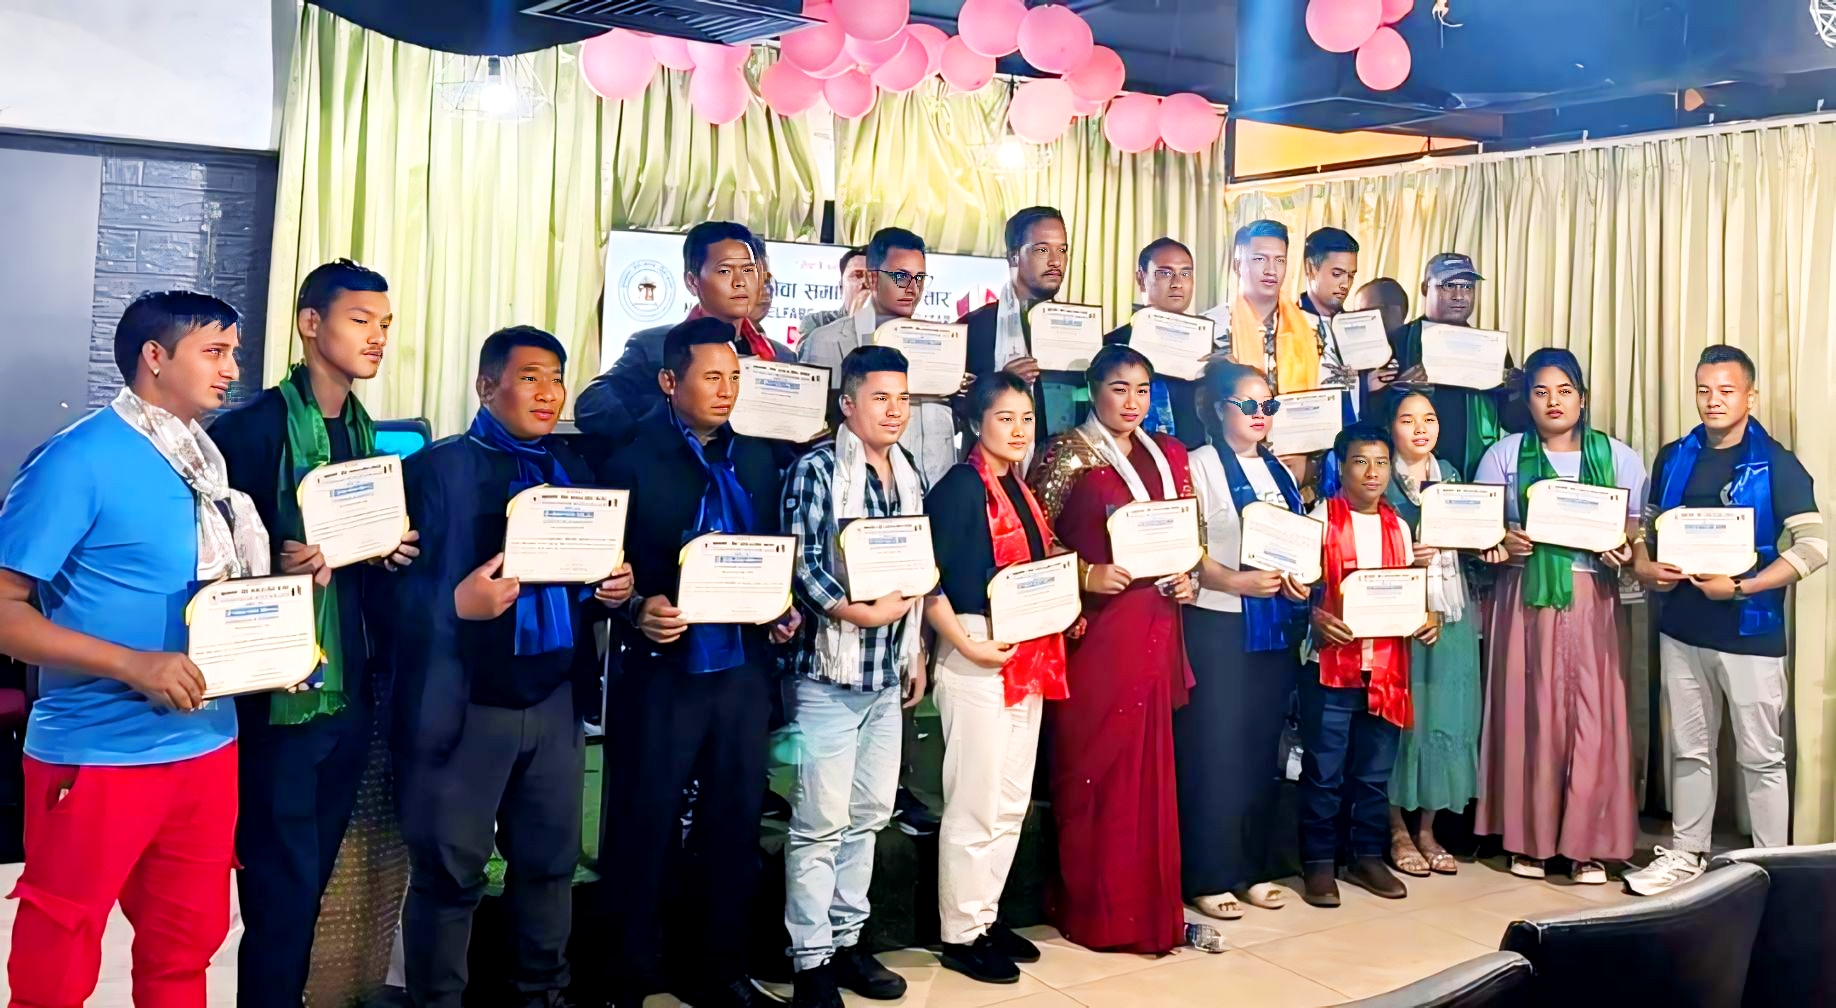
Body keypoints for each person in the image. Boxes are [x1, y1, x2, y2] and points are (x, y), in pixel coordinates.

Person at [0, 291, 262, 1007]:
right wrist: (130, 664)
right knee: (58, 955)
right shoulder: (77, 459)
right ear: (155, 357)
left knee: (186, 950)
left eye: (233, 353)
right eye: (215, 352)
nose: (232, 370)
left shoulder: (204, 463)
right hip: (99, 753)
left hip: (207, 746)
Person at [393, 326, 635, 1008]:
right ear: (485, 386)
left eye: (556, 378)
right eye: (529, 377)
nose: (549, 393)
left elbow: (589, 576)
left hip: (554, 699)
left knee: (550, 867)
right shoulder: (436, 469)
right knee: (450, 876)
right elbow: (382, 596)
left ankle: (542, 993)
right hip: (463, 705)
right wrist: (455, 605)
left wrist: (613, 590)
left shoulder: (574, 471)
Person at [208, 260, 421, 1008]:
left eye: (385, 324)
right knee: (281, 890)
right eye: (361, 320)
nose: (377, 337)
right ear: (309, 323)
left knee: (314, 882)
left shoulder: (371, 440)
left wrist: (389, 551)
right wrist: (275, 564)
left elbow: (368, 568)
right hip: (279, 698)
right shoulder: (248, 432)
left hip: (350, 691)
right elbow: (208, 566)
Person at [601, 317, 795, 1006]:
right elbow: (600, 573)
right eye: (712, 376)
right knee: (643, 821)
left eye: (735, 377)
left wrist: (783, 608)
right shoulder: (628, 460)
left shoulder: (759, 457)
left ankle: (718, 969)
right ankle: (627, 973)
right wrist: (634, 608)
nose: (726, 390)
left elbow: (771, 552)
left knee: (734, 820)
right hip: (663, 671)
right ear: (668, 381)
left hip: (741, 670)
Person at [1028, 345, 1221, 955]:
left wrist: (1190, 577)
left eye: (1142, 389)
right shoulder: (1064, 453)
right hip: (1097, 628)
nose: (1132, 402)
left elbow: (1191, 534)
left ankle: (1148, 909)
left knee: (1149, 771)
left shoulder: (1170, 452)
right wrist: (1085, 573)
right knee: (1095, 766)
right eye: (1118, 388)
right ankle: (1093, 909)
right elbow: (1031, 538)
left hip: (1156, 619)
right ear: (1092, 390)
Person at [1624, 345, 1826, 895]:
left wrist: (1741, 586)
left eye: (1727, 390)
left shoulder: (1777, 463)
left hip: (1751, 631)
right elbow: (1647, 529)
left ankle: (1772, 870)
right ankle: (1686, 853)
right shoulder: (1675, 455)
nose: (1713, 401)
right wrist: (1644, 564)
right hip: (1682, 627)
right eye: (1704, 390)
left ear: (1750, 396)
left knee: (1762, 758)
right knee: (1689, 749)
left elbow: (1814, 548)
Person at [780, 345, 927, 1008]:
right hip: (828, 675)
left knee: (868, 816)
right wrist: (853, 611)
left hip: (886, 673)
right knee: (819, 822)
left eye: (903, 399)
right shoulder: (816, 469)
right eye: (880, 397)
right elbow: (802, 564)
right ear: (847, 403)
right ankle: (810, 960)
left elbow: (918, 567)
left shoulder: (909, 471)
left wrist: (914, 652)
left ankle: (847, 943)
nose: (894, 411)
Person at [1473, 347, 1643, 885]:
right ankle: (1531, 839)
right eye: (1542, 391)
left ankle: (1587, 845)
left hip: (1593, 598)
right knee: (1532, 714)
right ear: (1527, 400)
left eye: (1565, 391)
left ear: (1582, 399)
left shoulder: (1618, 456)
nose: (1554, 402)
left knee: (1593, 716)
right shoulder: (1503, 455)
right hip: (1525, 597)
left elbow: (1633, 532)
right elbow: (1479, 532)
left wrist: (1625, 550)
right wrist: (1502, 541)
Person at [923, 372, 1066, 984]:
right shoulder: (960, 487)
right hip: (975, 646)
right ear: (975, 422)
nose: (1018, 430)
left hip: (1025, 649)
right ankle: (959, 932)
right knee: (975, 800)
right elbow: (927, 580)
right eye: (1004, 418)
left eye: (1026, 418)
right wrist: (965, 645)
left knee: (1009, 800)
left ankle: (985, 914)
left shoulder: (1020, 488)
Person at [1177, 361, 1312, 920]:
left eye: (1269, 405)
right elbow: (1185, 548)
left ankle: (1251, 868)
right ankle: (1208, 874)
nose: (1261, 415)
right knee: (1215, 749)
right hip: (1219, 624)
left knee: (1261, 750)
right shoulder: (1199, 466)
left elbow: (1297, 544)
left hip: (1273, 627)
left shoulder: (1280, 470)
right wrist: (1236, 582)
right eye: (1249, 405)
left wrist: (1300, 580)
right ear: (1218, 409)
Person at [1299, 424, 1437, 908]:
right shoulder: (1320, 519)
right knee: (1324, 773)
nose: (1372, 473)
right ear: (1341, 467)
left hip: (1386, 669)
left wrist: (1428, 618)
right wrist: (1314, 617)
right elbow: (1298, 592)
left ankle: (1366, 856)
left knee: (1375, 774)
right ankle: (1319, 864)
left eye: (1380, 463)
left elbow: (1414, 594)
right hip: (1330, 667)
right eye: (1361, 462)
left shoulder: (1399, 526)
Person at [1376, 389, 1504, 878]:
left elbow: (1474, 544)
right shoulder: (1379, 479)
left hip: (1452, 613)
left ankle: (1428, 829)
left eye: (1428, 419)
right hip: (1401, 616)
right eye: (1408, 419)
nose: (1420, 429)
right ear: (1391, 428)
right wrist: (1406, 553)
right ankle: (1395, 829)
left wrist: (1487, 548)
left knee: (1448, 715)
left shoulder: (1452, 477)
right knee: (1402, 717)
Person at [575, 221, 794, 449]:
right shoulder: (653, 347)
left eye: (748, 270)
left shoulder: (781, 357)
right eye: (725, 271)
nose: (740, 282)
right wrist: (675, 413)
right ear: (692, 282)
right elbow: (592, 405)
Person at [801, 227, 963, 484]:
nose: (913, 288)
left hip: (935, 486)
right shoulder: (827, 341)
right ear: (873, 278)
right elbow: (812, 426)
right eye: (901, 276)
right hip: (858, 485)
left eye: (920, 278)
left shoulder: (943, 342)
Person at [1385, 254, 1529, 477]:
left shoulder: (1491, 348)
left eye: (1467, 287)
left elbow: (1513, 422)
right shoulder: (1399, 341)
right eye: (1449, 286)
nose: (1459, 296)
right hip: (1412, 475)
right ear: (1425, 288)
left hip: (1475, 474)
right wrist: (1399, 392)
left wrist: (1517, 393)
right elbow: (1371, 414)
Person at [962, 206, 1082, 443]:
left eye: (1062, 249)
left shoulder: (1081, 329)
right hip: (994, 463)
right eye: (1042, 250)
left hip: (1069, 459)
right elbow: (955, 412)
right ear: (1013, 256)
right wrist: (1002, 385)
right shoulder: (973, 329)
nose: (1056, 261)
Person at [1104, 237, 1205, 447]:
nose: (1177, 283)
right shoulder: (1112, 347)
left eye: (1185, 273)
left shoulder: (1208, 349)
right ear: (1141, 278)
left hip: (1194, 459)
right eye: (1165, 273)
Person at [1297, 227, 1365, 418]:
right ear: (1310, 269)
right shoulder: (1286, 326)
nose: (1346, 284)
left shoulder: (1357, 326)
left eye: (1351, 275)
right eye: (1337, 274)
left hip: (1354, 431)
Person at [799, 246, 870, 337]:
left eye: (871, 276)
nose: (865, 282)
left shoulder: (887, 327)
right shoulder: (817, 323)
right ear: (841, 287)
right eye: (857, 275)